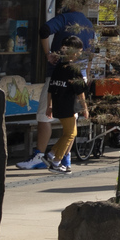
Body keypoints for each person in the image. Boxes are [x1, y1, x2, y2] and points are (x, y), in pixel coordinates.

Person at [21, 37, 88, 174]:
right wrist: (85, 108)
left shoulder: (58, 67)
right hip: (68, 105)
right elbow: (80, 91)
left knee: (69, 132)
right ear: (74, 52)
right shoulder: (74, 69)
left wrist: (49, 106)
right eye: (79, 51)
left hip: (57, 104)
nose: (80, 54)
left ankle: (51, 154)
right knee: (70, 133)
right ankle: (56, 162)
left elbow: (51, 87)